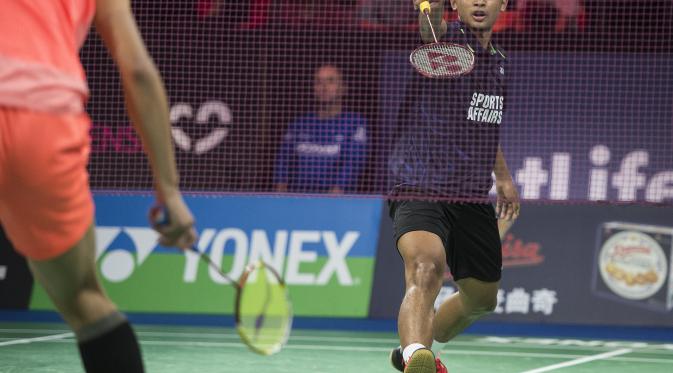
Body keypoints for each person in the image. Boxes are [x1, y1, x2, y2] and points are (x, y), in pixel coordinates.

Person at [0, 1, 197, 372]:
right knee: (85, 301)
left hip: (41, 108)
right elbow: (137, 70)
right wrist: (168, 190)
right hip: (43, 116)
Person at [387, 1, 520, 372]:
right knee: (426, 266)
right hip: (420, 182)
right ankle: (417, 355)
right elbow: (430, 26)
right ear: (454, 4)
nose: (479, 2)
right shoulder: (445, 43)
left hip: (471, 193)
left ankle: (416, 349)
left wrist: (504, 176)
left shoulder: (501, 64)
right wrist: (427, 9)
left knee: (482, 298)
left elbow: (482, 123)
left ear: (504, 3)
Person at [274, 64, 368, 194]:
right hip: (297, 198)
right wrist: (280, 191)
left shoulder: (354, 123)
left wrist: (336, 192)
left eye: (330, 81)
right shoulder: (299, 124)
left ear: (343, 88)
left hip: (335, 202)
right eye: (318, 82)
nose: (324, 88)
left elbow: (352, 163)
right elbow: (283, 160)